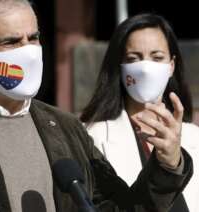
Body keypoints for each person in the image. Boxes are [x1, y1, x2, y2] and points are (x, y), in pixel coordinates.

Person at [0, 1, 192, 212]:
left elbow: (121, 207)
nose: (28, 52)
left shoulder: (66, 127)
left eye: (34, 37)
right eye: (11, 42)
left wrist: (166, 165)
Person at [81, 13, 199, 212]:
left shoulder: (194, 136)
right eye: (134, 58)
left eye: (157, 57)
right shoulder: (92, 136)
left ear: (171, 65)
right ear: (120, 67)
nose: (145, 68)